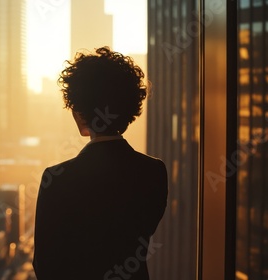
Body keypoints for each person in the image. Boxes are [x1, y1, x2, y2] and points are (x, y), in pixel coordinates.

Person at [32, 47, 168, 280]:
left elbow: (45, 265)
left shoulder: (56, 179)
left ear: (79, 113)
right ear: (129, 111)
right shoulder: (154, 172)